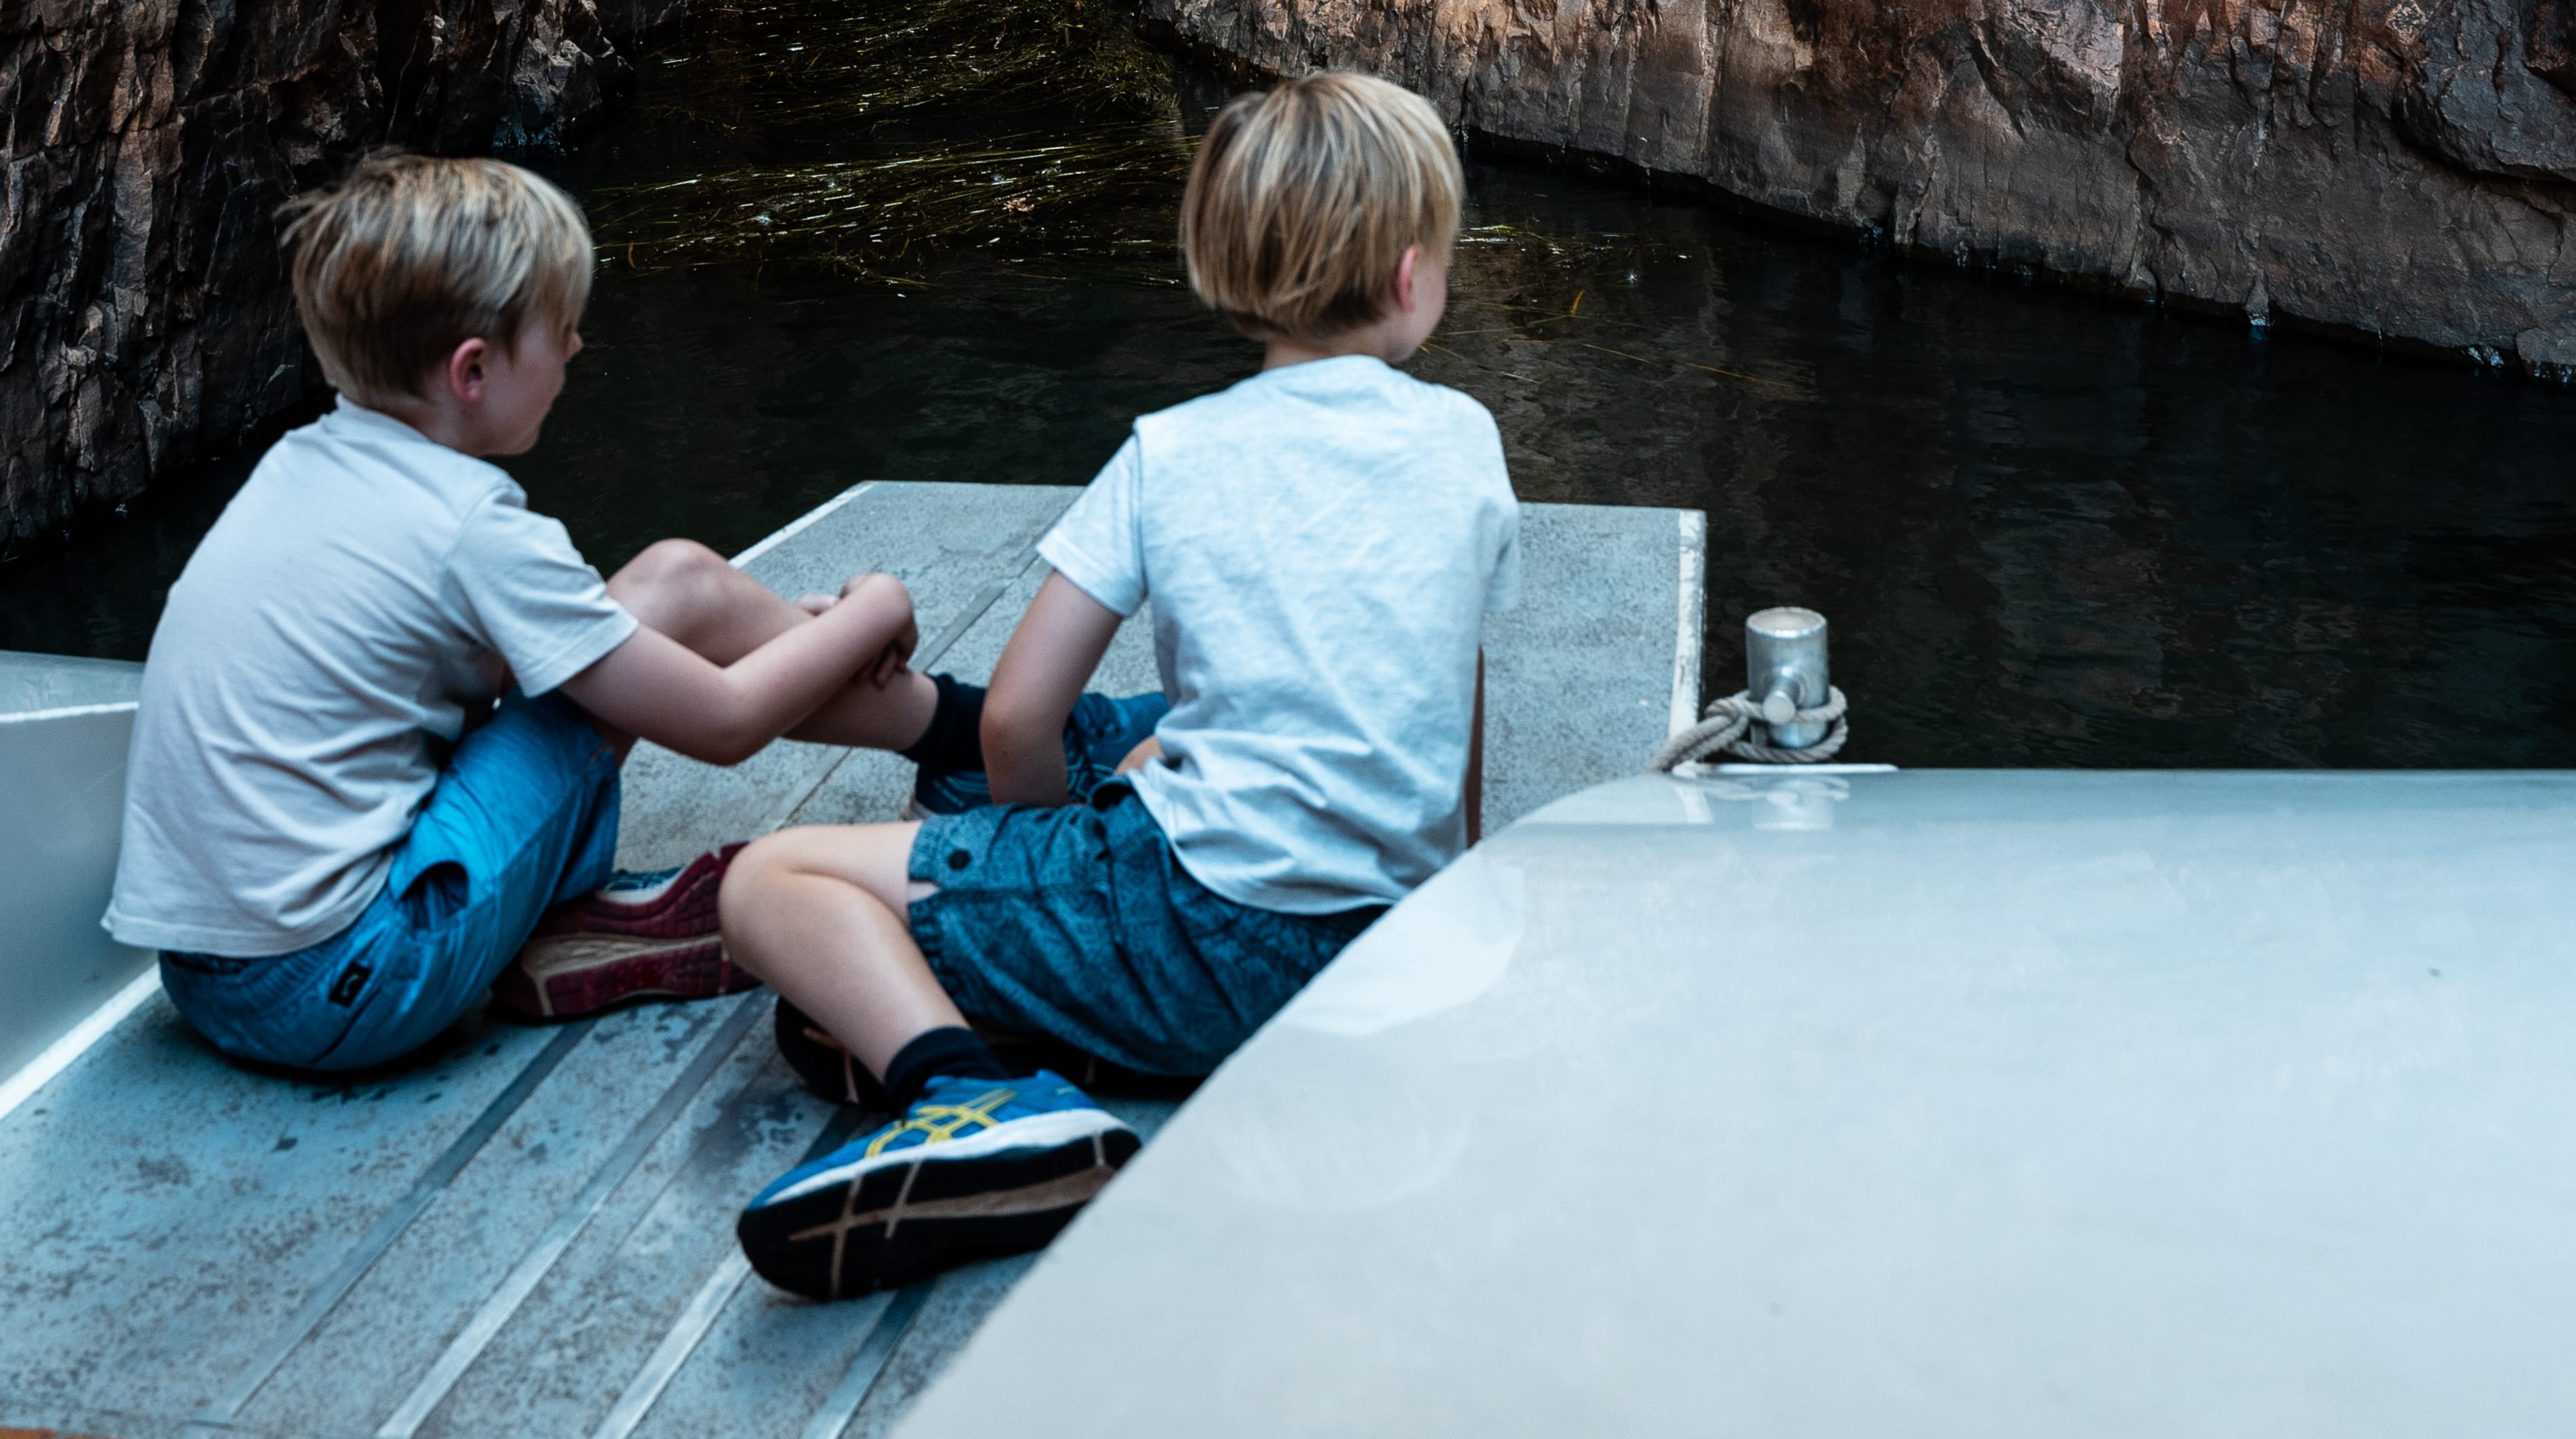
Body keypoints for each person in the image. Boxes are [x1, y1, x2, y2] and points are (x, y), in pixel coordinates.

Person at [715, 71, 1518, 1299]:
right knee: (1142, 731)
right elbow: (1450, 702)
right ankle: (1008, 894)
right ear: (1413, 276)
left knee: (770, 885)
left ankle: (970, 1099)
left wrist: (1045, 860)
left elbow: (1028, 724)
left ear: (1228, 268)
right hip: (1395, 946)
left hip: (1209, 942)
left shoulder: (1175, 453)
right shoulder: (1467, 441)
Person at [107, 148, 979, 1079]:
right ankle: (964, 737)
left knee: (672, 592)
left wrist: (808, 643)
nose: (575, 349)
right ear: (473, 370)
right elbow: (723, 725)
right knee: (676, 586)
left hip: (203, 977)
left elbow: (521, 664)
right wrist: (874, 606)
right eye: (561, 329)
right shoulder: (469, 525)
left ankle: (952, 740)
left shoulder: (304, 467)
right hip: (348, 981)